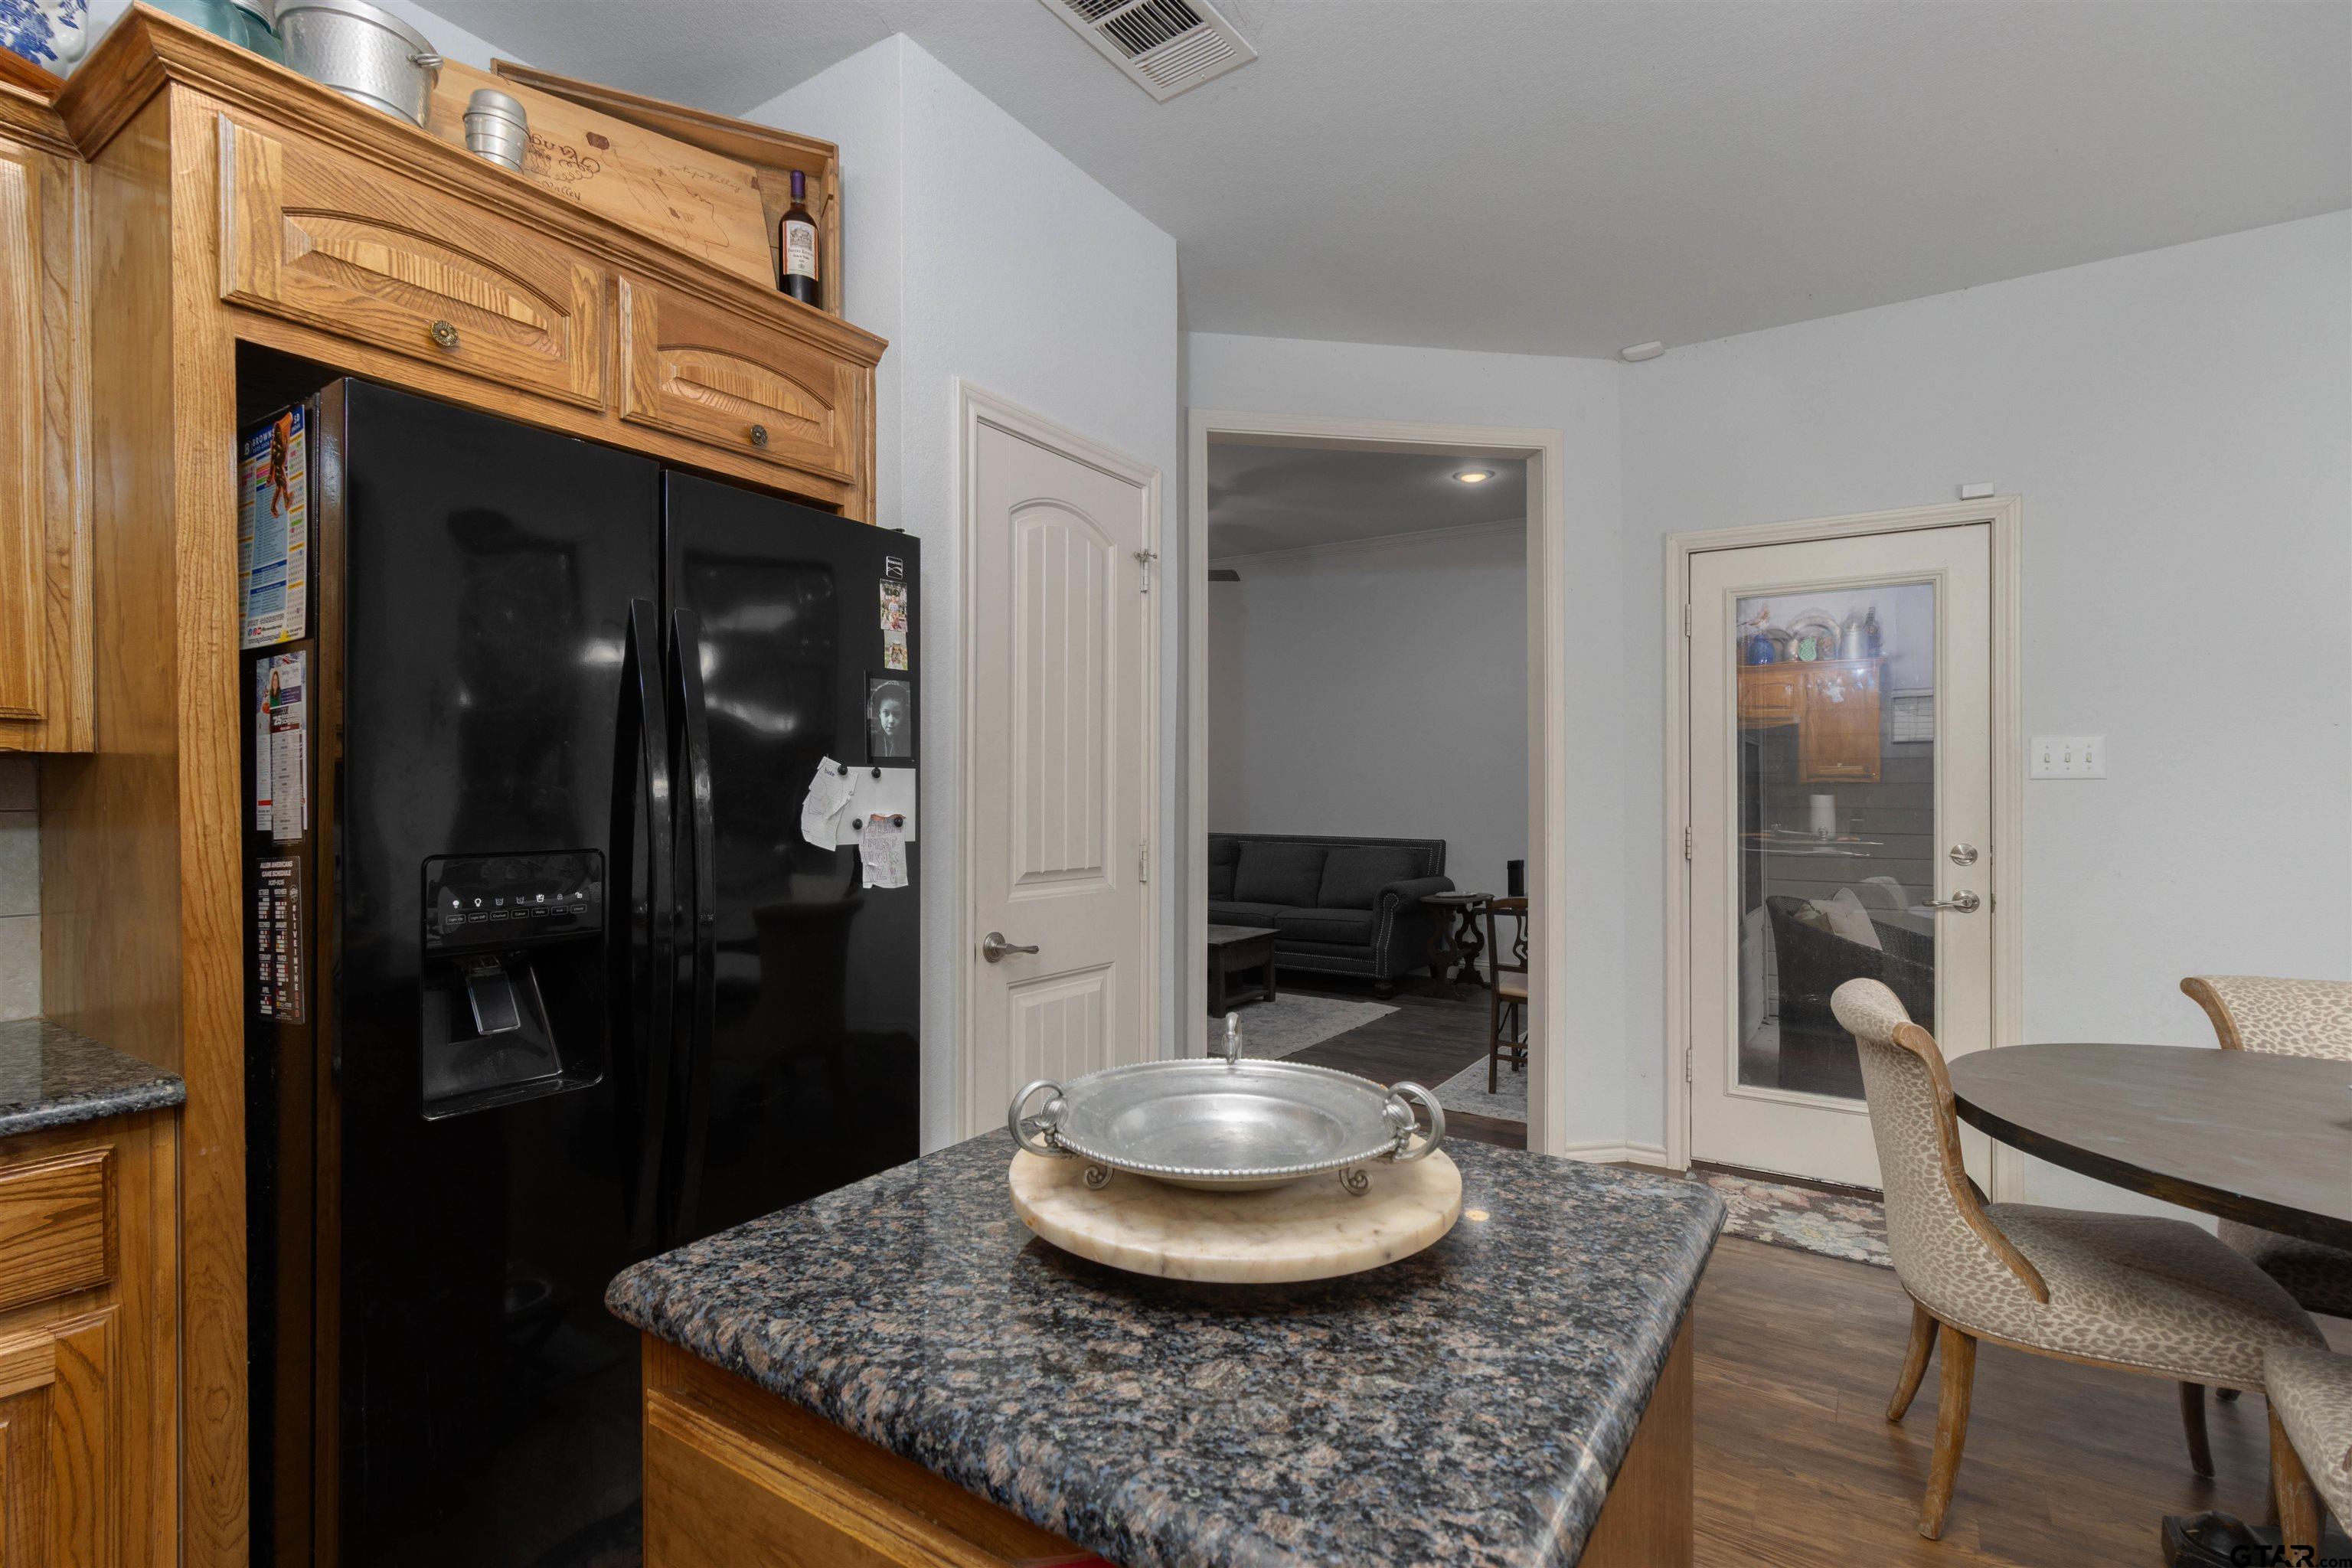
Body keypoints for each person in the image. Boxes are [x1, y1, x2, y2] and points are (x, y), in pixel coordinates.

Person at [871, 683, 910, 758]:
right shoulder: (871, 743)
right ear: (879, 714)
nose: (891, 720)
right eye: (886, 713)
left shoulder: (909, 744)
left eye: (897, 714)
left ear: (903, 714)